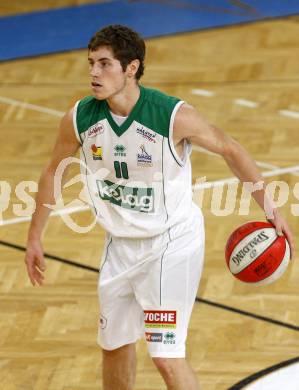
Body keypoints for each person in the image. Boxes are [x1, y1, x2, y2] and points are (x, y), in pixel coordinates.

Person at [25, 24, 294, 390]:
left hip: (172, 244)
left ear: (131, 68)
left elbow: (230, 148)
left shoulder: (172, 115)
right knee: (115, 347)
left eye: (104, 64)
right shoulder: (79, 118)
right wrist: (35, 235)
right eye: (91, 63)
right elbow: (53, 170)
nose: (93, 72)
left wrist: (270, 209)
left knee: (166, 357)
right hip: (119, 245)